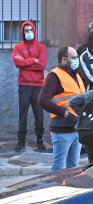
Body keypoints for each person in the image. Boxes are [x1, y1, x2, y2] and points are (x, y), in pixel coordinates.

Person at [38, 46, 85, 172]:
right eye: (74, 58)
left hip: (76, 128)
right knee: (59, 168)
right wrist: (65, 114)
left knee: (73, 167)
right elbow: (43, 100)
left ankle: (70, 191)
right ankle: (52, 190)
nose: (77, 60)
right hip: (62, 129)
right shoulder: (54, 76)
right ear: (64, 59)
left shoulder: (76, 76)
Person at [12, 21, 47, 152]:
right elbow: (16, 62)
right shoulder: (18, 47)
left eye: (30, 30)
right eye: (26, 30)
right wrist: (33, 60)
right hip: (24, 84)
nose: (28, 33)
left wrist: (24, 62)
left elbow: (42, 65)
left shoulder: (41, 47)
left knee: (39, 113)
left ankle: (40, 140)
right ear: (22, 32)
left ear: (34, 30)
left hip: (38, 84)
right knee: (23, 113)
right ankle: (21, 140)